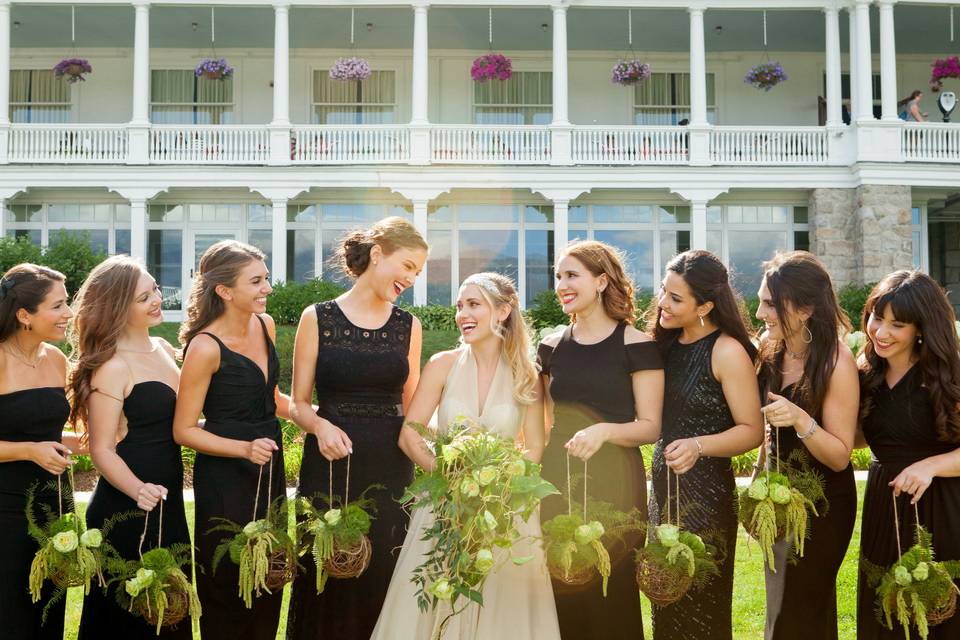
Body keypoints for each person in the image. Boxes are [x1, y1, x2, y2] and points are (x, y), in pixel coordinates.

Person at [372, 272, 561, 640]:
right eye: (460, 305)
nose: (462, 314)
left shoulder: (528, 376)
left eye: (474, 304)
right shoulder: (441, 364)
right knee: (434, 594)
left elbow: (535, 446)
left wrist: (503, 488)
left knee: (502, 605)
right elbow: (410, 435)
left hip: (504, 509)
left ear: (503, 311)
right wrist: (448, 478)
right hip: (443, 504)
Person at [286, 217, 427, 640]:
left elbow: (412, 407)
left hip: (390, 471)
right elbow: (297, 403)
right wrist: (320, 426)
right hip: (329, 470)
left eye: (417, 273)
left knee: (384, 573)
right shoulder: (318, 317)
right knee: (327, 574)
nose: (410, 278)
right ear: (378, 253)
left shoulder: (409, 326)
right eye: (407, 266)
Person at [537, 240, 664, 640]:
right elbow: (542, 420)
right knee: (563, 584)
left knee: (612, 591)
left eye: (572, 275)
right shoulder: (551, 345)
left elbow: (650, 426)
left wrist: (604, 431)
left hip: (617, 484)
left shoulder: (638, 346)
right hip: (557, 478)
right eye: (558, 276)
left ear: (601, 281)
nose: (562, 284)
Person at [173, 240, 291, 640]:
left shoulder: (265, 324)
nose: (267, 288)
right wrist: (243, 448)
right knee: (227, 577)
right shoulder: (205, 347)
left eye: (266, 278)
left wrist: (322, 420)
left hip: (268, 468)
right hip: (226, 476)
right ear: (224, 291)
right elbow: (184, 430)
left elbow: (273, 400)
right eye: (256, 281)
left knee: (269, 572)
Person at [70, 257, 192, 638]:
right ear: (118, 307)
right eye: (144, 297)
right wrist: (138, 490)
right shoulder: (112, 366)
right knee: (126, 621)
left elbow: (173, 427)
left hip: (166, 502)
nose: (157, 298)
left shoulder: (164, 349)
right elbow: (102, 450)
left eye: (155, 288)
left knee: (171, 610)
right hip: (125, 508)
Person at [648, 249, 763, 640]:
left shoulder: (727, 351)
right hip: (663, 490)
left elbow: (751, 429)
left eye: (676, 298)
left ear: (706, 306)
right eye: (664, 291)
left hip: (707, 494)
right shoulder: (660, 346)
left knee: (700, 603)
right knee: (663, 596)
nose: (663, 303)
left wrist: (698, 445)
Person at [754, 252, 859, 640]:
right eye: (762, 300)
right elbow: (768, 433)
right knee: (779, 610)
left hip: (824, 505)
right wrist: (757, 489)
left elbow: (839, 456)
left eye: (770, 303)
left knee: (801, 611)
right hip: (778, 501)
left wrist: (800, 419)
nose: (760, 311)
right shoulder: (770, 347)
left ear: (805, 309)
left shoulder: (836, 361)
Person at [856, 271, 960, 640]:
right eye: (876, 318)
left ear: (921, 328)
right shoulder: (865, 371)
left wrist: (932, 466)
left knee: (938, 615)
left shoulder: (949, 374)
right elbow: (855, 439)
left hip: (943, 511)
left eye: (896, 324)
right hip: (884, 508)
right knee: (882, 615)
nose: (880, 332)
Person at [0, 264, 83, 639]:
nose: (69, 313)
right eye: (58, 305)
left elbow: (44, 430)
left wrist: (72, 444)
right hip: (6, 510)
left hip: (55, 508)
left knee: (49, 612)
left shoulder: (56, 359)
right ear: (24, 315)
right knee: (12, 614)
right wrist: (29, 451)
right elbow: (29, 441)